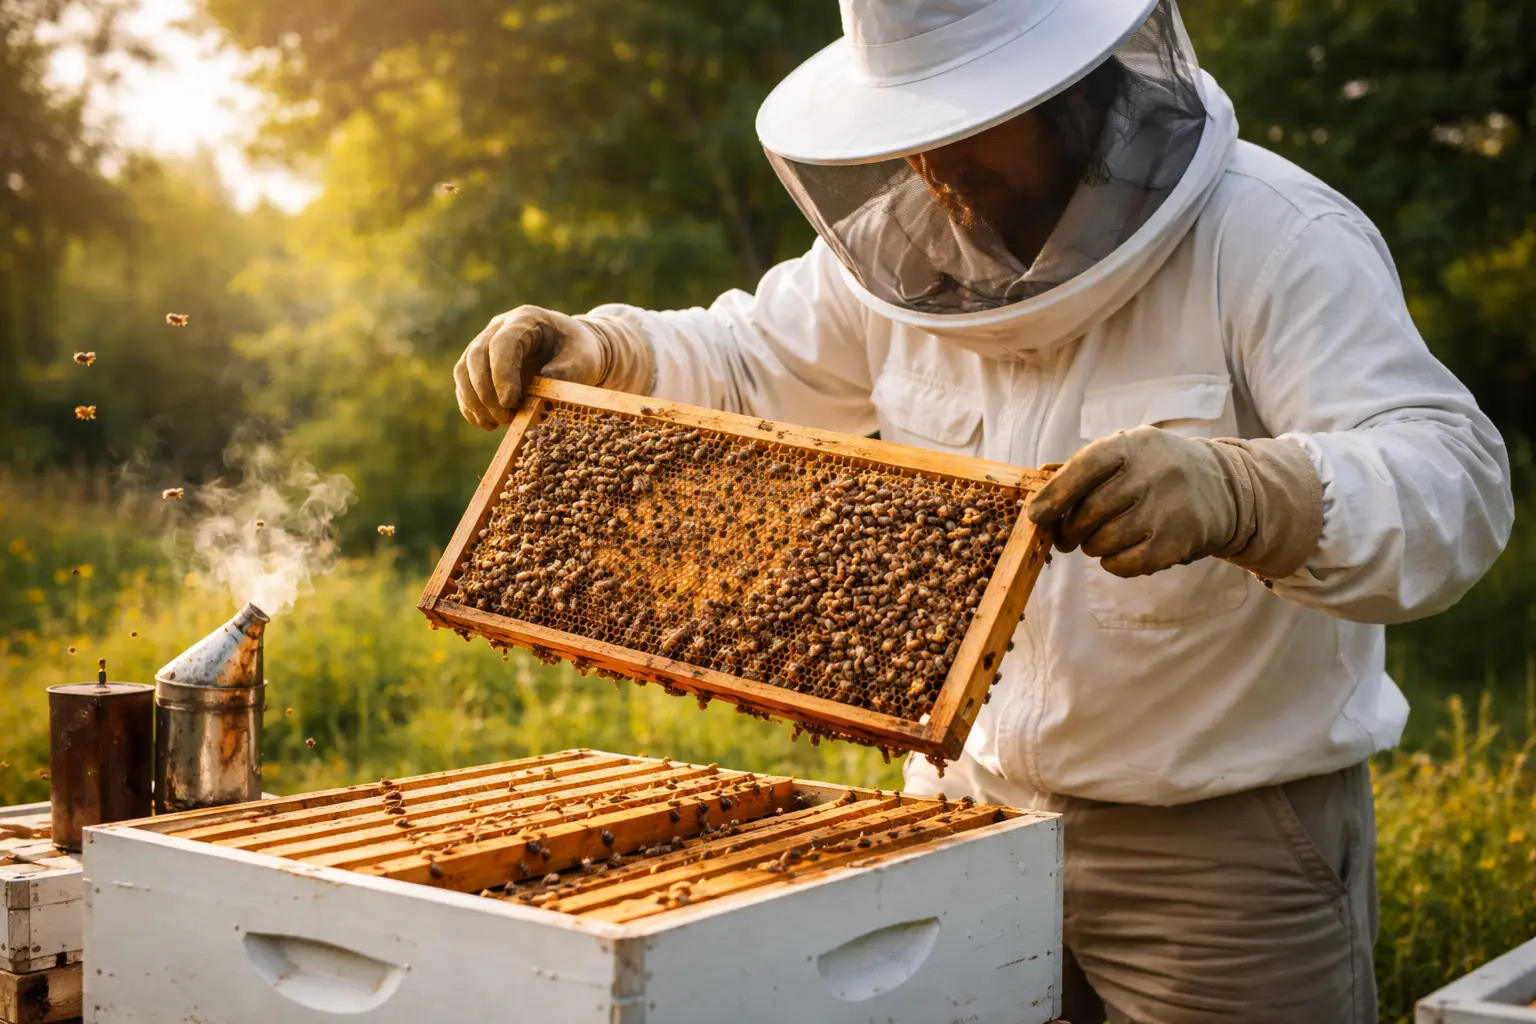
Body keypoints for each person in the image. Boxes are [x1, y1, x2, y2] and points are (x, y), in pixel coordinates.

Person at [452, 1, 1514, 1021]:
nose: (933, 166)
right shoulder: (903, 248)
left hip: (1218, 849)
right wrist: (607, 352)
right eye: (912, 130)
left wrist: (1249, 492)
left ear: (1076, 92)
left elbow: (1452, 483)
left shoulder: (1274, 237)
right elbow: (747, 360)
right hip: (963, 818)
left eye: (967, 123)